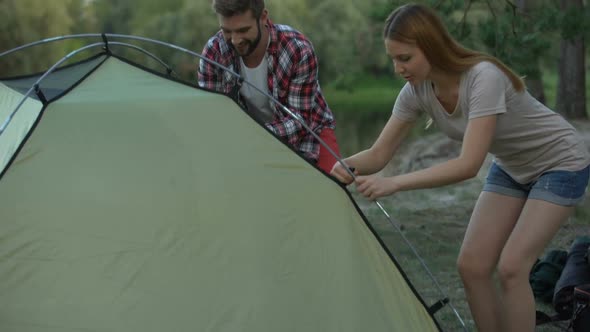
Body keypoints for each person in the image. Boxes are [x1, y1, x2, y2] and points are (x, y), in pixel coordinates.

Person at [330, 3, 590, 332]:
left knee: (512, 268)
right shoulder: (415, 91)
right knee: (472, 266)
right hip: (513, 166)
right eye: (393, 59)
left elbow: (468, 165)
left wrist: (393, 183)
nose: (398, 68)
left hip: (560, 161)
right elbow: (379, 153)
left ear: (432, 47)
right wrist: (340, 165)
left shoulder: (483, 78)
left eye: (405, 58)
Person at [197, 0, 340, 172]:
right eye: (227, 31)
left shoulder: (298, 49)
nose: (235, 40)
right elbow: (214, 118)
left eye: (243, 30)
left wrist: (250, 138)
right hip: (247, 142)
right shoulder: (213, 53)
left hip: (310, 133)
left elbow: (299, 122)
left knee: (330, 191)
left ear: (263, 17)